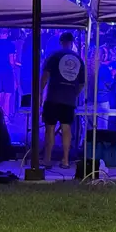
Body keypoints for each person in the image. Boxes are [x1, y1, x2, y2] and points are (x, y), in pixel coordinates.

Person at [41, 31, 86, 169]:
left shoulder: (54, 56)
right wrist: (74, 94)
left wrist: (39, 93)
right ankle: (65, 160)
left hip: (53, 98)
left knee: (50, 129)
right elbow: (82, 83)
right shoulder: (78, 60)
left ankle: (47, 159)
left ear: (61, 42)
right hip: (68, 100)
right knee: (66, 129)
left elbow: (45, 77)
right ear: (72, 43)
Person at [0, 29, 17, 117]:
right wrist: (14, 66)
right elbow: (11, 61)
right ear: (7, 34)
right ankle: (5, 117)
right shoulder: (10, 44)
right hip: (7, 71)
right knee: (7, 95)